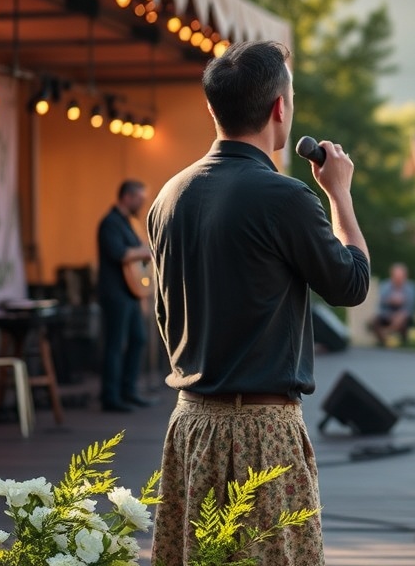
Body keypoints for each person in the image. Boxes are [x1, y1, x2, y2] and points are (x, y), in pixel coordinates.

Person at [146, 40, 370, 566]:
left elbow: (164, 315)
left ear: (212, 109)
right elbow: (352, 284)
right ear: (280, 108)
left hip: (190, 426)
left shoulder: (168, 196)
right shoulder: (286, 197)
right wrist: (340, 195)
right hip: (262, 434)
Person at [96, 178, 153, 413]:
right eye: (139, 199)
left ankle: (129, 390)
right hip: (114, 293)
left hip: (130, 293)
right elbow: (119, 253)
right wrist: (147, 250)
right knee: (115, 344)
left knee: (138, 338)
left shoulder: (128, 223)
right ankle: (111, 396)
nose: (141, 203)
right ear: (127, 197)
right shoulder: (110, 223)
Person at [368, 262, 415, 346]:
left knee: (401, 316)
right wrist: (391, 301)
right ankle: (384, 340)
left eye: (400, 277)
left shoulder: (410, 287)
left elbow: (410, 306)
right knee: (374, 320)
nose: (398, 279)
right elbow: (381, 301)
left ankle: (386, 333)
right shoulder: (385, 285)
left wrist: (401, 303)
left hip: (403, 315)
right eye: (396, 276)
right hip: (387, 313)